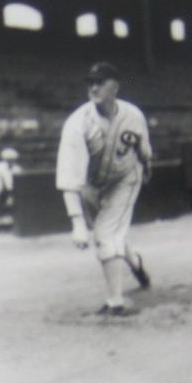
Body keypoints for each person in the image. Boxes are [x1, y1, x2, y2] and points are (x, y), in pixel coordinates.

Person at [55, 60, 154, 317]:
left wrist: (147, 167)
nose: (94, 87)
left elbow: (143, 149)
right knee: (112, 236)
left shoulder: (133, 115)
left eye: (101, 82)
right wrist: (77, 223)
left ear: (116, 87)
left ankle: (115, 302)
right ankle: (136, 262)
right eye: (91, 82)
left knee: (104, 235)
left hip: (126, 177)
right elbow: (69, 178)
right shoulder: (77, 124)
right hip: (92, 185)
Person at [0, 145, 20, 226]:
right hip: (0, 189)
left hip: (13, 191)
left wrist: (11, 190)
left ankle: (15, 221)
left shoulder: (17, 168)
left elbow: (19, 180)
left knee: (14, 200)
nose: (11, 161)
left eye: (12, 160)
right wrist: (2, 189)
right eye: (9, 160)